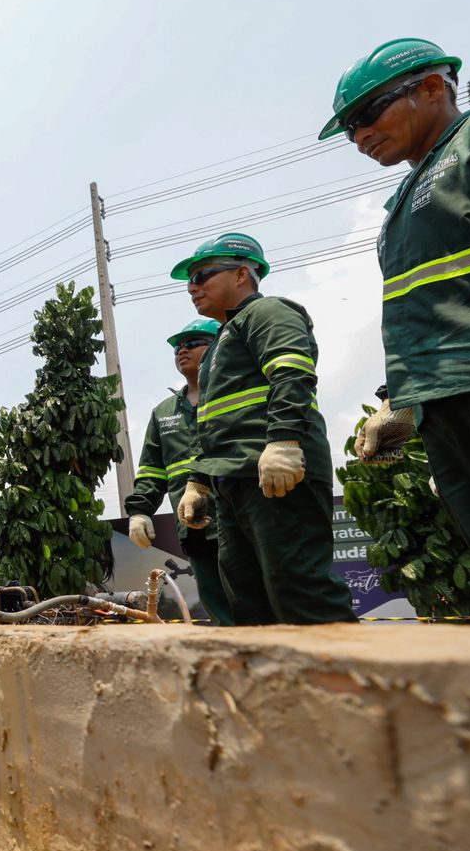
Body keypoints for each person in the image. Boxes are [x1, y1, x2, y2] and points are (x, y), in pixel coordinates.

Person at [326, 38, 470, 622]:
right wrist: (399, 403)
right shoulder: (397, 208)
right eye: (348, 128)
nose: (358, 136)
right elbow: (418, 310)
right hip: (443, 405)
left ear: (434, 88)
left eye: (368, 114)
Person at [170, 233, 356, 625]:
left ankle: (343, 683)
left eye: (203, 275)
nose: (193, 286)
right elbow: (215, 424)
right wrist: (200, 480)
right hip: (234, 480)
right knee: (248, 603)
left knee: (299, 591)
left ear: (242, 274)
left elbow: (292, 373)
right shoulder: (220, 344)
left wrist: (285, 441)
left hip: (277, 472)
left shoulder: (269, 312)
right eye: (190, 280)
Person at [124, 319, 234, 625]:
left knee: (254, 600)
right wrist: (139, 511)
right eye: (177, 347)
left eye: (192, 342)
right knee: (218, 607)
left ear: (217, 346)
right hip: (194, 526)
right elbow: (152, 470)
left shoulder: (234, 393)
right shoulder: (163, 412)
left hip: (239, 519)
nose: (181, 350)